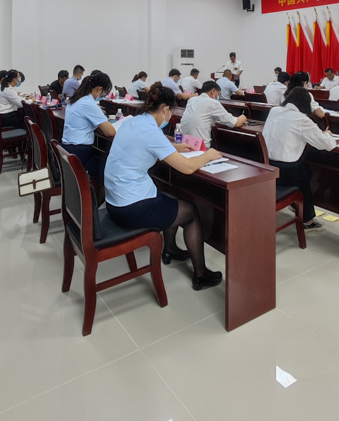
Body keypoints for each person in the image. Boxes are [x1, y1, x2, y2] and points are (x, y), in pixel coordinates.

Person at [103, 83, 224, 290]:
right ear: (165, 109)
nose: (169, 118)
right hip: (131, 208)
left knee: (170, 196)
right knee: (191, 211)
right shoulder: (151, 131)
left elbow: (143, 144)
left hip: (114, 202)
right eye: (170, 113)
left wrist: (174, 147)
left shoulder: (132, 121)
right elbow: (187, 168)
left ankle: (170, 250)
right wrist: (208, 155)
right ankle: (201, 274)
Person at [262, 87, 335, 233]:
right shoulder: (302, 119)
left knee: (304, 169)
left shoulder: (274, 111)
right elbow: (327, 145)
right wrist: (327, 134)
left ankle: (295, 204)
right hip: (285, 172)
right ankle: (307, 220)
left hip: (266, 166)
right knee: (305, 174)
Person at [61, 71, 117, 181]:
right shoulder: (88, 104)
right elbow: (111, 132)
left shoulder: (77, 99)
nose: (102, 96)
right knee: (110, 166)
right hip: (80, 153)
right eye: (104, 93)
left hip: (68, 149)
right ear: (99, 89)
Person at [179, 80, 247, 147]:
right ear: (213, 91)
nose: (218, 97)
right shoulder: (213, 103)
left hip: (185, 143)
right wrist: (243, 117)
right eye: (218, 94)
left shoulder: (191, 100)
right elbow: (235, 123)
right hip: (201, 146)